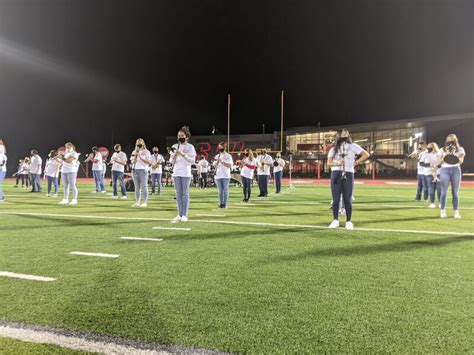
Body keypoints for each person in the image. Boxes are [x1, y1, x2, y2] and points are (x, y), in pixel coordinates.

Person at [327, 129, 369, 230]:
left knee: (347, 199)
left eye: (346, 132)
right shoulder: (333, 148)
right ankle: (335, 220)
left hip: (349, 173)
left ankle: (348, 221)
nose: (345, 133)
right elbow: (329, 163)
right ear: (338, 134)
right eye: (342, 132)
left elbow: (366, 155)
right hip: (336, 173)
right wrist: (337, 163)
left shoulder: (353, 146)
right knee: (336, 199)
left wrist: (355, 163)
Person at [170, 126, 196, 222]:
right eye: (179, 136)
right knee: (178, 194)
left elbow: (192, 161)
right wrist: (173, 156)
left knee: (185, 194)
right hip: (176, 172)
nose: (180, 137)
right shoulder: (174, 146)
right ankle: (179, 214)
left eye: (182, 135)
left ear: (186, 136)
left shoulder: (190, 147)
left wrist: (183, 154)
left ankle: (185, 214)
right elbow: (171, 161)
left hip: (185, 173)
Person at [437, 134, 465, 219]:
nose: (450, 142)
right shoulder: (442, 149)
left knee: (455, 192)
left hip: (456, 170)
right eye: (449, 140)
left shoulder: (460, 149)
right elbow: (440, 162)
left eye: (452, 140)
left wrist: (454, 155)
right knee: (444, 192)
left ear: (456, 140)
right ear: (446, 141)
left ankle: (456, 212)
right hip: (445, 170)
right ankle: (442, 211)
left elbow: (460, 161)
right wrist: (447, 154)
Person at [130, 138, 151, 207]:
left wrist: (140, 156)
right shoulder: (134, 151)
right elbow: (132, 162)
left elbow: (149, 162)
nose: (138, 144)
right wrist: (135, 155)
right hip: (135, 170)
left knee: (144, 186)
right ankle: (137, 202)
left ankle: (145, 202)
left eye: (140, 143)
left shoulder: (146, 152)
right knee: (137, 187)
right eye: (137, 143)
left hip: (143, 170)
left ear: (143, 144)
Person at [213, 143, 234, 208]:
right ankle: (220, 203)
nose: (220, 148)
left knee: (225, 190)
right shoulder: (217, 156)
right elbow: (214, 165)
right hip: (218, 175)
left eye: (221, 147)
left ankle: (224, 204)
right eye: (219, 147)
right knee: (220, 190)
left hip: (226, 175)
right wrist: (215, 163)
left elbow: (230, 165)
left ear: (225, 147)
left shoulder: (228, 156)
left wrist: (222, 162)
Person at [425, 142, 441, 208]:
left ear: (434, 147)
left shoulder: (439, 153)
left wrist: (437, 166)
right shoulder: (427, 154)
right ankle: (432, 203)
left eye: (429, 147)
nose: (428, 148)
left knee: (439, 189)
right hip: (429, 173)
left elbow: (442, 162)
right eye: (428, 147)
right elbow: (425, 163)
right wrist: (430, 165)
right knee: (431, 189)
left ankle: (441, 203)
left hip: (439, 173)